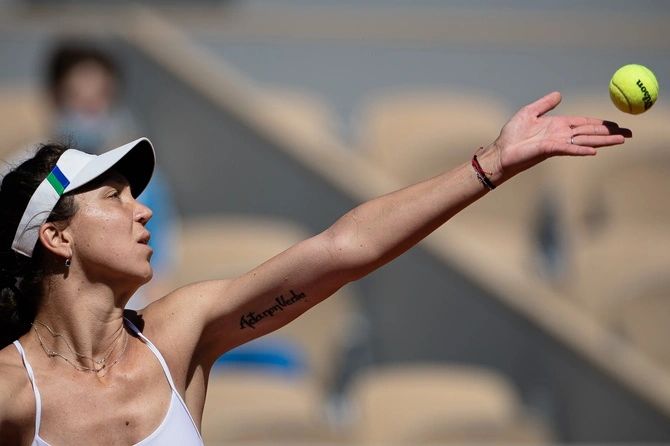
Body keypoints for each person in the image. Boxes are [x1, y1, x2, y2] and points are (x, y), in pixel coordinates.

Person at [0, 92, 630, 445]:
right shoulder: (10, 392)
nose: (143, 211)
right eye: (114, 197)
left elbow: (342, 250)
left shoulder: (177, 335)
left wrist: (490, 164)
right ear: (55, 236)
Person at [45, 40, 179, 308]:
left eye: (100, 96)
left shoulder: (150, 180)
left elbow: (162, 263)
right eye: (79, 97)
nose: (91, 108)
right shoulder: (30, 173)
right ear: (57, 97)